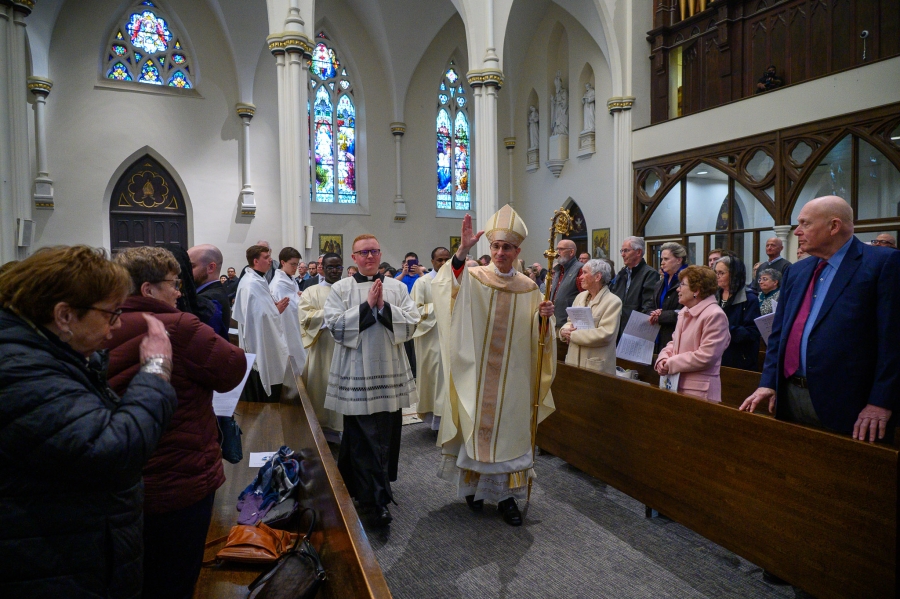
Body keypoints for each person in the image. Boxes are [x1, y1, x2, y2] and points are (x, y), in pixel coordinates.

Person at [0, 246, 177, 598]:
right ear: (64, 315)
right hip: (51, 566)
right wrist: (156, 370)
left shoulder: (39, 352)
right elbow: (110, 451)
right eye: (111, 314)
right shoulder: (19, 369)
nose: (116, 326)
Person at [105, 247, 246, 599]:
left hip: (120, 479)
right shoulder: (179, 326)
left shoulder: (102, 324)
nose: (180, 292)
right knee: (175, 580)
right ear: (148, 290)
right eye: (173, 284)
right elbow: (232, 368)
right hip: (179, 476)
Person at [741, 196, 900, 443]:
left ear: (834, 226)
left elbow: (893, 341)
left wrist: (881, 401)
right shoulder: (797, 271)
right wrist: (769, 382)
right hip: (790, 395)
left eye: (805, 223)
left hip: (850, 403)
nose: (798, 231)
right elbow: (779, 334)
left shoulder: (882, 263)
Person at [433, 206, 556, 527]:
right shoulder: (475, 278)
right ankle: (473, 488)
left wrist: (544, 318)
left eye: (508, 247)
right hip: (477, 371)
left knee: (509, 434)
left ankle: (505, 498)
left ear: (518, 251)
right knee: (476, 427)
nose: (501, 253)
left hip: (514, 376)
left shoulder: (529, 288)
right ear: (490, 248)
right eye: (496, 246)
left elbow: (540, 338)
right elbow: (448, 290)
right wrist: (462, 251)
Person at [324, 235, 421, 526]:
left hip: (388, 374)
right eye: (364, 252)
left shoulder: (397, 288)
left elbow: (412, 323)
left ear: (379, 255)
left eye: (374, 251)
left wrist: (385, 308)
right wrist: (366, 307)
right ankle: (372, 497)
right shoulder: (340, 289)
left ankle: (373, 490)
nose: (370, 256)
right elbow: (335, 327)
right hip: (356, 374)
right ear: (354, 257)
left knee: (384, 434)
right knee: (361, 436)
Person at [655, 266, 730, 402]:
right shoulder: (685, 311)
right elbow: (674, 342)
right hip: (675, 384)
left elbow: (706, 356)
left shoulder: (715, 315)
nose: (678, 289)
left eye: (682, 285)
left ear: (696, 290)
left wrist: (670, 363)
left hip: (699, 391)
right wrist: (663, 358)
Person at [233, 244, 290, 402]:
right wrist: (275, 311)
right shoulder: (251, 284)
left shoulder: (259, 279)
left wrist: (273, 308)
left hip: (264, 338)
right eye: (266, 257)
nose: (270, 260)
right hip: (258, 342)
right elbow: (255, 318)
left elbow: (261, 310)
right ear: (255, 261)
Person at [298, 252, 344, 441]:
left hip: (347, 349)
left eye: (338, 267)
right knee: (321, 388)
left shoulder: (349, 289)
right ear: (322, 269)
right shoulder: (312, 291)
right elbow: (305, 317)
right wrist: (332, 314)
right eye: (330, 267)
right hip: (322, 348)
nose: (334, 271)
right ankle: (323, 433)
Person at [411, 246, 451, 429]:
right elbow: (414, 311)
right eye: (439, 260)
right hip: (431, 339)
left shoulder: (455, 281)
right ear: (432, 261)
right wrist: (441, 306)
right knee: (435, 376)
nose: (443, 263)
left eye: (446, 260)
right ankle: (436, 421)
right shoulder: (423, 283)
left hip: (451, 338)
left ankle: (450, 419)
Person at [559, 259, 621, 375]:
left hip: (595, 367)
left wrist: (572, 335)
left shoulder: (613, 302)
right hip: (573, 362)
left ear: (597, 277)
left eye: (585, 273)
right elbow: (570, 321)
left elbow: (605, 334)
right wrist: (564, 331)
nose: (580, 277)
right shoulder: (580, 297)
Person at [714, 254, 761, 371]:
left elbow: (752, 333)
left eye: (721, 273)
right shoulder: (714, 296)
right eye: (716, 273)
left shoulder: (749, 299)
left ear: (734, 274)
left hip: (738, 358)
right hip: (715, 356)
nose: (717, 276)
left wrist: (723, 328)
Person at [610, 236, 658, 341]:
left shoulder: (650, 274)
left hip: (635, 330)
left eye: (626, 251)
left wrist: (635, 327)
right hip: (617, 327)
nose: (622, 254)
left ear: (638, 252)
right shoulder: (622, 273)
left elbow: (648, 305)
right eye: (622, 251)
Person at [270, 246, 307, 373]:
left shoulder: (290, 279)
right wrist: (303, 299)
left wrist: (300, 296)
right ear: (283, 262)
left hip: (296, 325)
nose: (295, 268)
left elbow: (295, 299)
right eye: (292, 264)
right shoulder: (278, 284)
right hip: (288, 327)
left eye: (297, 264)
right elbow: (290, 307)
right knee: (294, 361)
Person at [646, 242, 689, 352]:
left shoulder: (687, 282)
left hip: (677, 337)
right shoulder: (660, 283)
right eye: (662, 259)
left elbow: (686, 311)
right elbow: (650, 305)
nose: (662, 263)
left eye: (666, 259)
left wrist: (660, 316)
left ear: (679, 260)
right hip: (657, 336)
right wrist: (653, 314)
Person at [188, 243, 231, 339]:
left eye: (191, 266)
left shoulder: (209, 298)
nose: (186, 272)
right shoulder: (214, 291)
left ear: (211, 267)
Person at [549, 239, 583, 329]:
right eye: (557, 249)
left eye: (561, 249)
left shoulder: (580, 269)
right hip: (553, 322)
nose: (557, 252)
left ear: (571, 252)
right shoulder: (558, 269)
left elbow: (584, 297)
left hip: (569, 324)